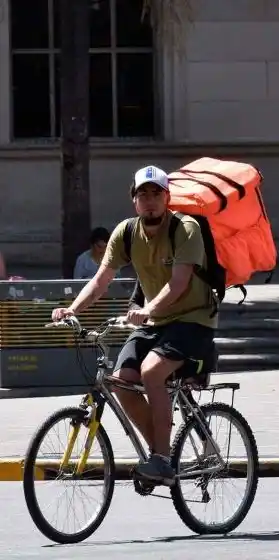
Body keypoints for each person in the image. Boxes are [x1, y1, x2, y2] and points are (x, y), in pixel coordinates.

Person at [50, 165, 218, 486]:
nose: (150, 200)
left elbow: (179, 283)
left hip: (193, 319)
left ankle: (162, 459)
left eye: (156, 194)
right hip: (154, 322)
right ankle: (159, 452)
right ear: (134, 201)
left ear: (167, 198)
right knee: (120, 381)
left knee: (152, 372)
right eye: (143, 194)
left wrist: (148, 309)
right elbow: (100, 281)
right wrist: (71, 309)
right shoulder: (126, 233)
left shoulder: (185, 228)